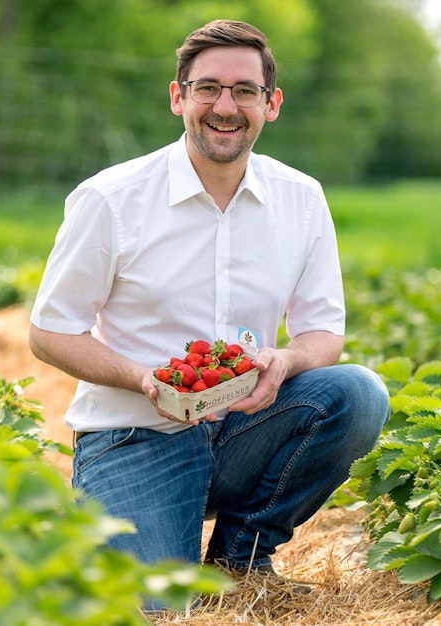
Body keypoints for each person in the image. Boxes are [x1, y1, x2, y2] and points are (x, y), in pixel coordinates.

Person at [27, 18, 389, 598]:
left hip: (246, 426)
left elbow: (322, 330)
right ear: (179, 97)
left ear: (271, 104)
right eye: (208, 88)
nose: (226, 106)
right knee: (152, 607)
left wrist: (284, 363)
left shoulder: (301, 199)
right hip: (135, 436)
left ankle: (242, 557)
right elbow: (49, 332)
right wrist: (141, 377)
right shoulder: (111, 199)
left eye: (245, 91)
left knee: (358, 393)